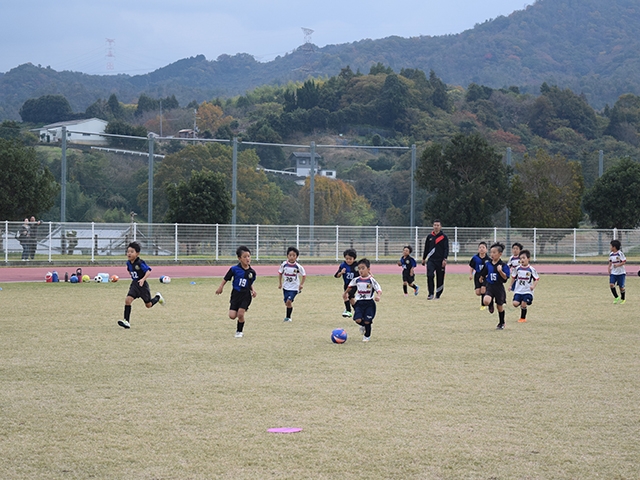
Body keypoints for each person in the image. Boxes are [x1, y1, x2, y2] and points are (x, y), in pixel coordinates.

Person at [118, 241, 165, 329]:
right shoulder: (128, 263)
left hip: (142, 286)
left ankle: (158, 297)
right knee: (128, 300)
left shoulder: (140, 262)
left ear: (137, 253)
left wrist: (143, 279)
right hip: (135, 285)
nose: (129, 253)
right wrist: (133, 277)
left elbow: (148, 271)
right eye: (128, 251)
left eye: (132, 252)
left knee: (148, 305)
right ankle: (126, 321)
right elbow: (129, 270)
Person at [216, 245, 257, 337]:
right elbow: (226, 278)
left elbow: (249, 283)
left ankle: (239, 331)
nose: (247, 259)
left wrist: (253, 290)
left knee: (240, 314)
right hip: (235, 295)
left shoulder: (252, 272)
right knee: (232, 316)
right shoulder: (234, 269)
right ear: (239, 258)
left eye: (249, 256)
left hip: (246, 295)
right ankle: (239, 320)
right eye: (245, 257)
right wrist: (221, 287)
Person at [343, 258, 382, 342]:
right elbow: (350, 286)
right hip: (359, 303)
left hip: (369, 303)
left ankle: (367, 336)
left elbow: (378, 289)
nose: (361, 270)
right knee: (357, 320)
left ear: (368, 269)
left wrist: (378, 296)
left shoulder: (371, 280)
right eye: (359, 268)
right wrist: (345, 293)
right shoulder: (357, 279)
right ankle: (363, 326)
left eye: (363, 268)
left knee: (368, 321)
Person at [479, 242, 510, 330]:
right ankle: (490, 304)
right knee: (486, 301)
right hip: (490, 286)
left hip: (499, 288)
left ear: (500, 254)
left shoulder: (503, 265)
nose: (492, 254)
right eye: (491, 252)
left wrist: (500, 271)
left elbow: (505, 279)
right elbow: (484, 273)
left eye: (494, 252)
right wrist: (481, 279)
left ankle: (501, 322)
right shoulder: (488, 264)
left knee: (499, 307)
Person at [421, 220, 449, 300]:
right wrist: (424, 258)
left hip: (440, 260)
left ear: (440, 226)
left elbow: (446, 248)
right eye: (435, 225)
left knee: (440, 277)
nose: (436, 226)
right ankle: (430, 293)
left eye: (438, 225)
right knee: (430, 275)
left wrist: (445, 259)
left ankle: (438, 294)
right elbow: (426, 248)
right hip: (431, 260)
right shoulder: (430, 236)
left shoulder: (444, 237)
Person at [278, 246, 306, 322]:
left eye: (294, 255)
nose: (292, 257)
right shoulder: (284, 264)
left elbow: (304, 275)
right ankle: (288, 315)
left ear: (296, 257)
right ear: (287, 256)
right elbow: (280, 273)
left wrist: (301, 285)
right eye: (290, 255)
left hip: (294, 287)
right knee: (287, 303)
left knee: (289, 301)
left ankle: (288, 317)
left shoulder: (298, 266)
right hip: (286, 287)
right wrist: (280, 283)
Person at [511, 250, 539, 322]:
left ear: (528, 259)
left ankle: (522, 318)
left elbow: (536, 279)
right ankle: (524, 301)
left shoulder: (531, 269)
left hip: (527, 291)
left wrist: (533, 286)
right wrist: (510, 285)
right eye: (520, 258)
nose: (522, 260)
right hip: (518, 290)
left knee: (523, 304)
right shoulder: (517, 269)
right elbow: (513, 277)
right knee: (515, 304)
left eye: (524, 258)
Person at [334, 248, 358, 317]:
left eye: (350, 259)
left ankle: (348, 311)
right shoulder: (343, 265)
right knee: (351, 299)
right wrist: (341, 273)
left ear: (354, 258)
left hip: (354, 285)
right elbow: (336, 275)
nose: (348, 260)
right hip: (346, 285)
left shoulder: (357, 266)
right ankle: (358, 312)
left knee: (345, 295)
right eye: (346, 259)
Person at [469, 241, 489, 309]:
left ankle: (483, 305)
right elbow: (471, 266)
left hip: (485, 276)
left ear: (486, 250)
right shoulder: (475, 258)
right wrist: (470, 274)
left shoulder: (488, 259)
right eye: (480, 247)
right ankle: (488, 295)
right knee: (478, 292)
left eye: (483, 247)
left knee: (483, 289)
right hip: (477, 275)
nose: (481, 249)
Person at [608, 239, 626, 304]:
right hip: (613, 273)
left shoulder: (620, 253)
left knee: (621, 287)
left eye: (610, 246)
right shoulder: (611, 254)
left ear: (614, 247)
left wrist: (618, 265)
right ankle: (616, 297)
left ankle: (623, 298)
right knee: (611, 284)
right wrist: (609, 268)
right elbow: (610, 262)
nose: (610, 247)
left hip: (621, 273)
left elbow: (624, 261)